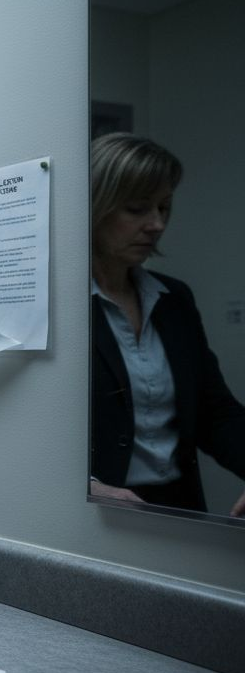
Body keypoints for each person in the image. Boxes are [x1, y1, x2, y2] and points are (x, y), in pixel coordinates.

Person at [88, 133, 245, 515]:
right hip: (97, 514)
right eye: (138, 208)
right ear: (96, 205)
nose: (156, 224)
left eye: (164, 207)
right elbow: (27, 432)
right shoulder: (59, 305)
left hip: (180, 507)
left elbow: (215, 413)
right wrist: (87, 486)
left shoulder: (174, 299)